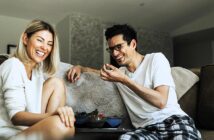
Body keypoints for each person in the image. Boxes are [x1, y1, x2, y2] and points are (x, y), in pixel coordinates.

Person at [67, 24, 201, 139]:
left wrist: (125, 80)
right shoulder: (120, 74)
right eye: (111, 49)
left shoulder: (155, 59)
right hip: (146, 129)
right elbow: (97, 72)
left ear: (133, 44)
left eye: (119, 47)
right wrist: (81, 68)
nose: (114, 53)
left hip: (173, 121)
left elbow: (160, 101)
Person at [0, 19, 75, 140]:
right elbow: (16, 117)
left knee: (57, 83)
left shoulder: (37, 73)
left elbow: (36, 112)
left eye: (49, 44)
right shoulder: (12, 65)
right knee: (61, 125)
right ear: (25, 39)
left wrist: (57, 117)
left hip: (29, 131)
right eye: (40, 40)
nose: (45, 47)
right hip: (9, 135)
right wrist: (53, 116)